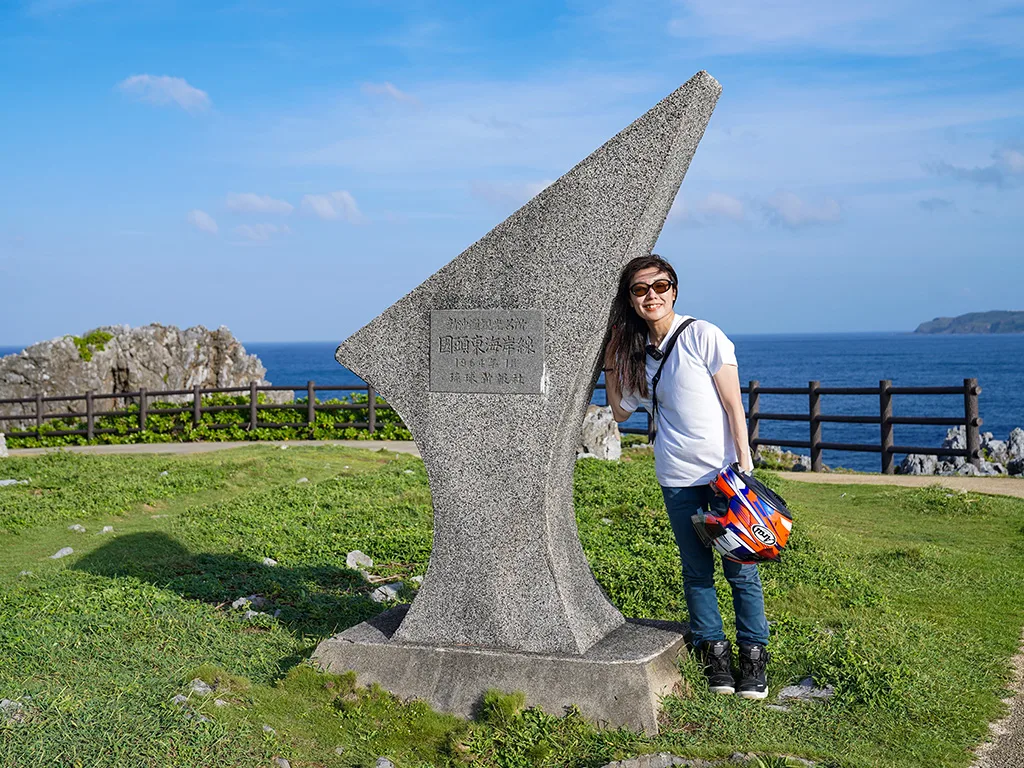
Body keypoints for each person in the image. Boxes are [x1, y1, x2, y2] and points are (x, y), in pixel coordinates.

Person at [603, 253, 770, 699]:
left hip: (723, 477)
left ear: (674, 291)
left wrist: (744, 464)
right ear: (631, 300)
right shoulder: (636, 355)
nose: (651, 296)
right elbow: (620, 411)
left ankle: (754, 656)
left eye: (660, 286)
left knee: (741, 569)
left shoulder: (703, 335)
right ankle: (714, 655)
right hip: (676, 477)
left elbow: (733, 405)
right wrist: (611, 361)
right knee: (696, 571)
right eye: (640, 290)